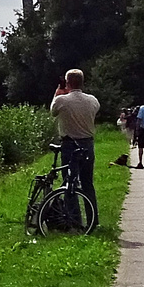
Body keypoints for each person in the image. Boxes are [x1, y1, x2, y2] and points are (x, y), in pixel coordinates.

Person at [49, 69, 100, 215]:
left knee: (69, 182)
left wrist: (57, 95)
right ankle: (92, 218)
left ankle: (74, 218)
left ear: (67, 82)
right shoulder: (93, 100)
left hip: (69, 144)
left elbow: (53, 112)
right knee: (87, 183)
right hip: (88, 144)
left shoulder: (61, 100)